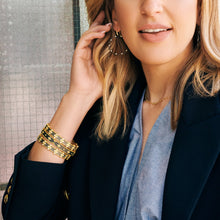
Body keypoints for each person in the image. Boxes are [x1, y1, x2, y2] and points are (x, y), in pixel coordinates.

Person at [1, 0, 220, 219]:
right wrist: (76, 99)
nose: (151, 7)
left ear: (201, 8)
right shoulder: (100, 118)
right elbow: (24, 214)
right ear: (114, 15)